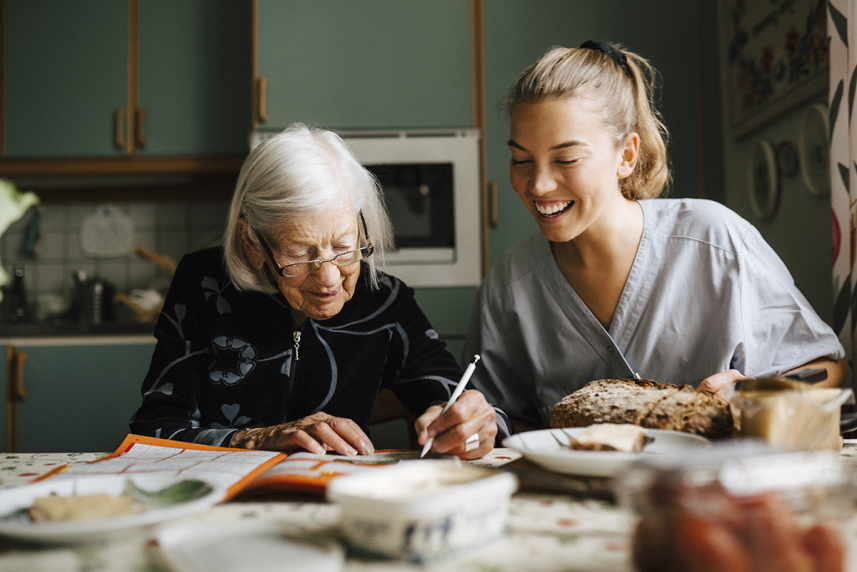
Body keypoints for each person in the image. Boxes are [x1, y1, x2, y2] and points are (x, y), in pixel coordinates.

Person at [463, 42, 848, 432]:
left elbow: (828, 367)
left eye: (566, 159)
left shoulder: (715, 240)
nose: (539, 185)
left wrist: (759, 394)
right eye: (521, 160)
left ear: (626, 156)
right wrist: (474, 426)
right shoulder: (508, 285)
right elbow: (495, 418)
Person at [130, 123, 507, 458]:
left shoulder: (385, 302)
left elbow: (462, 398)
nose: (328, 277)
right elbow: (153, 430)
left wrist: (471, 423)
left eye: (344, 247)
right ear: (252, 242)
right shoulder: (203, 284)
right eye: (299, 253)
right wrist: (257, 439)